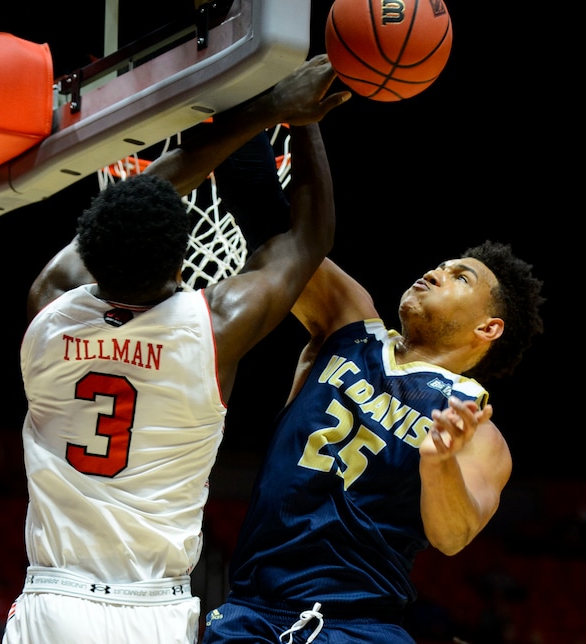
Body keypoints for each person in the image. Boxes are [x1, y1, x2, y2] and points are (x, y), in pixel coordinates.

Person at [2, 54, 351, 644]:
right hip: (151, 613)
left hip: (53, 602)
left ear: (94, 253)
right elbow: (308, 238)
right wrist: (296, 116)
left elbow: (134, 203)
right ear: (181, 262)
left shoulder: (49, 305)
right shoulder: (213, 327)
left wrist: (275, 109)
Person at [202, 137, 545, 643]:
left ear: (488, 327)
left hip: (358, 627)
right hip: (250, 610)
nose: (436, 272)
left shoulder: (477, 431)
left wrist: (439, 464)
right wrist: (278, 116)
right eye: (442, 265)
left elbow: (453, 536)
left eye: (460, 277)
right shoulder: (349, 322)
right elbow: (270, 223)